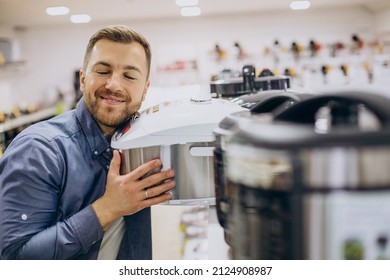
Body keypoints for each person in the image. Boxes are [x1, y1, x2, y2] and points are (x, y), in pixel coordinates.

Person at [0, 25, 175, 260]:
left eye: (129, 76)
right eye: (103, 71)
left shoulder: (139, 144)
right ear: (83, 79)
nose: (114, 84)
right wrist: (108, 208)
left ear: (145, 90)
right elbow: (13, 260)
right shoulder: (39, 150)